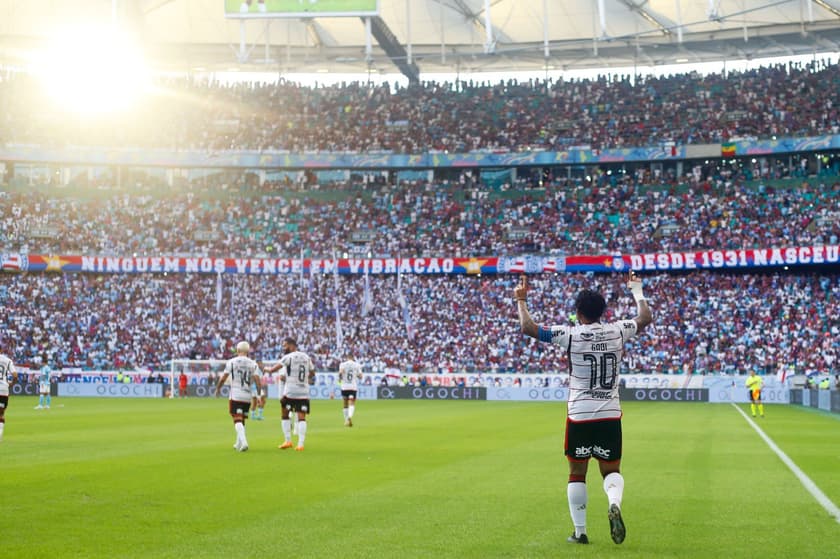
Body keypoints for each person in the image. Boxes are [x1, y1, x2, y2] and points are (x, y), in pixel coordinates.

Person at [514, 272, 652, 546]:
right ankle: (614, 503)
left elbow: (528, 327)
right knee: (611, 470)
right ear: (603, 312)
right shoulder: (618, 330)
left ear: (578, 313)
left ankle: (580, 532)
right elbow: (645, 317)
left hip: (579, 415)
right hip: (609, 413)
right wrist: (637, 290)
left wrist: (521, 299)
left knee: (577, 473)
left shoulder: (570, 335)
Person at [266, 338, 315, 451]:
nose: (284, 348)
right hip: (304, 391)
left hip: (291, 391)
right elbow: (312, 373)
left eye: (285, 346)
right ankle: (300, 444)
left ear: (292, 345)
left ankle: (288, 441)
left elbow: (274, 369)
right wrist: (304, 378)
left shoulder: (288, 357)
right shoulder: (306, 357)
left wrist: (267, 370)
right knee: (301, 417)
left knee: (285, 413)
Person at [214, 341, 261, 452]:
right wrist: (258, 394)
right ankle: (238, 443)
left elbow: (223, 378)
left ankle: (244, 443)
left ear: (238, 350)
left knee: (237, 419)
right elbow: (257, 381)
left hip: (236, 394)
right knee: (242, 419)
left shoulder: (232, 362)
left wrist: (218, 388)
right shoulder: (253, 364)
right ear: (248, 351)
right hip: (247, 395)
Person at [337, 354, 363, 427]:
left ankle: (346, 420)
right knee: (352, 403)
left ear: (347, 358)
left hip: (344, 387)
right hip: (353, 387)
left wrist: (340, 380)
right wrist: (356, 375)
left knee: (345, 403)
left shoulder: (342, 364)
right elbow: (361, 376)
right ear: (353, 358)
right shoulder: (357, 365)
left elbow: (340, 373)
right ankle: (350, 417)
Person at [0, 352, 19, 442]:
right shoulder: (7, 360)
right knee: (1, 414)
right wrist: (11, 384)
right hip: (3, 390)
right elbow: (15, 375)